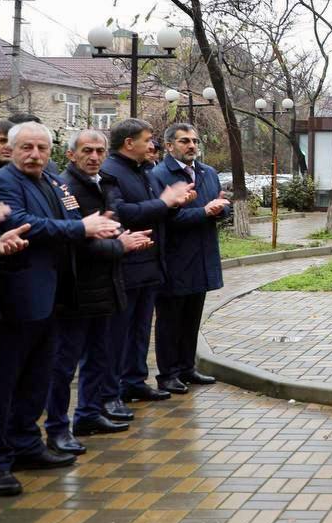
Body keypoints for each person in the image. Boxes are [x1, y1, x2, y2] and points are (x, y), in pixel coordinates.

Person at [0, 122, 119, 497]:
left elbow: (71, 222)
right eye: (27, 147)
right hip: (16, 299)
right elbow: (24, 225)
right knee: (2, 384)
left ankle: (26, 445)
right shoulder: (1, 182)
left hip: (53, 297)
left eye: (42, 147)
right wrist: (81, 229)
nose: (36, 154)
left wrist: (94, 227)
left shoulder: (52, 182)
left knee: (36, 380)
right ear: (12, 150)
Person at [48, 129, 153, 453]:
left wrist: (118, 235)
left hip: (106, 284)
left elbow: (111, 223)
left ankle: (89, 414)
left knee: (100, 355)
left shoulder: (103, 183)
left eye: (99, 151)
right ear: (71, 155)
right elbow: (75, 241)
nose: (94, 157)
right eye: (87, 151)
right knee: (65, 366)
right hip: (77, 290)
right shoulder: (66, 188)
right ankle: (56, 428)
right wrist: (118, 244)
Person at [101, 119, 195, 404]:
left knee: (141, 331)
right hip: (127, 265)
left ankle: (134, 380)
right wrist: (165, 203)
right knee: (119, 334)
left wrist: (174, 204)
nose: (152, 145)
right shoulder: (111, 172)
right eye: (147, 139)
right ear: (129, 143)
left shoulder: (143, 170)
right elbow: (121, 212)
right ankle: (112, 391)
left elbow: (155, 210)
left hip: (151, 264)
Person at [150, 123, 229, 393]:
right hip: (175, 257)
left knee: (192, 316)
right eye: (184, 141)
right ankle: (168, 373)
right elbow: (164, 219)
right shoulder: (159, 175)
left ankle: (187, 367)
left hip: (202, 255)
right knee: (170, 319)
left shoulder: (208, 172)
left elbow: (217, 209)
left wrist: (220, 210)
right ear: (169, 145)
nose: (192, 146)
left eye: (194, 140)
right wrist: (205, 212)